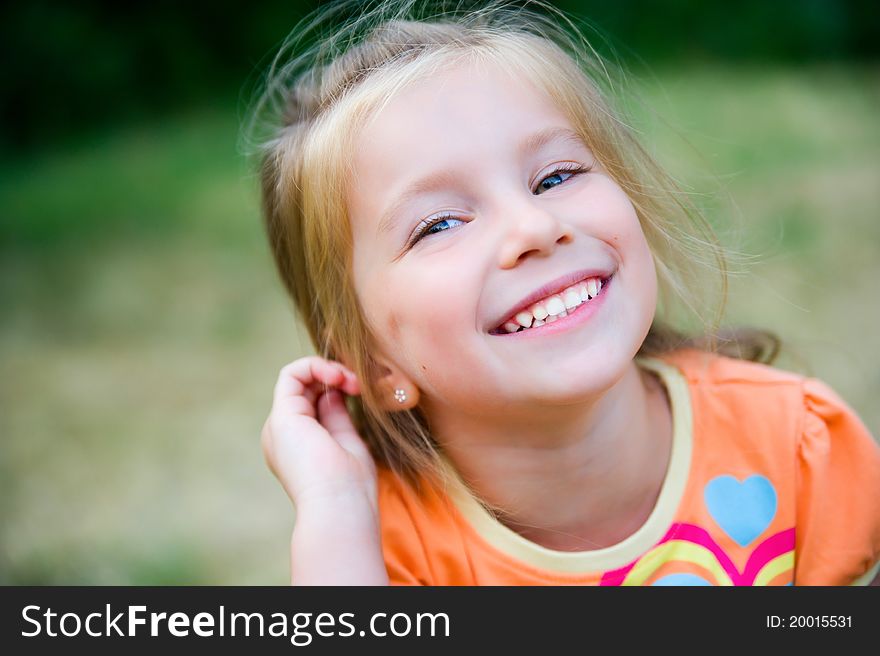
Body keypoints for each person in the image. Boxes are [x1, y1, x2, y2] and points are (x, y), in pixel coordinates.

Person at [248, 0, 880, 585]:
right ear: (373, 361)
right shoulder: (384, 552)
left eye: (556, 175)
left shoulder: (796, 446)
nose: (535, 227)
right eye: (439, 224)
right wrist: (334, 508)